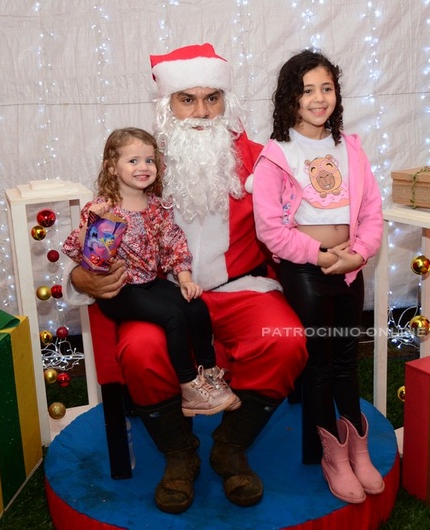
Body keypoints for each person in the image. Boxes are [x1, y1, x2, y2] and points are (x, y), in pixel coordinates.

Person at [62, 44, 307, 514]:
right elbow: (95, 235)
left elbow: (300, 218)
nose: (201, 112)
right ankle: (179, 454)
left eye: (212, 98)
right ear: (166, 104)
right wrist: (81, 277)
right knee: (140, 352)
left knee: (285, 340)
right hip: (162, 295)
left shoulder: (260, 160)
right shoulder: (143, 161)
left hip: (242, 287)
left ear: (226, 101)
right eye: (187, 99)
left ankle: (231, 447)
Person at [251, 49, 385, 504]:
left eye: (326, 88)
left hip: (348, 268)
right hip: (306, 270)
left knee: (348, 357)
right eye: (307, 90)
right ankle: (333, 456)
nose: (318, 98)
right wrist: (320, 254)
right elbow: (270, 229)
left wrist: (358, 254)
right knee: (321, 361)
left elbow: (372, 212)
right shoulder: (276, 156)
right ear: (290, 98)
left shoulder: (351, 149)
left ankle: (357, 450)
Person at [61, 127, 240, 417]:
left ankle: (209, 373)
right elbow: (81, 252)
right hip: (119, 290)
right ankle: (189, 387)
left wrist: (184, 279)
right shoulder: (103, 207)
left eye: (149, 160)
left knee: (195, 306)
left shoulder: (157, 207)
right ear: (112, 167)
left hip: (149, 282)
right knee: (173, 316)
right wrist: (94, 227)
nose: (143, 167)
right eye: (133, 161)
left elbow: (173, 242)